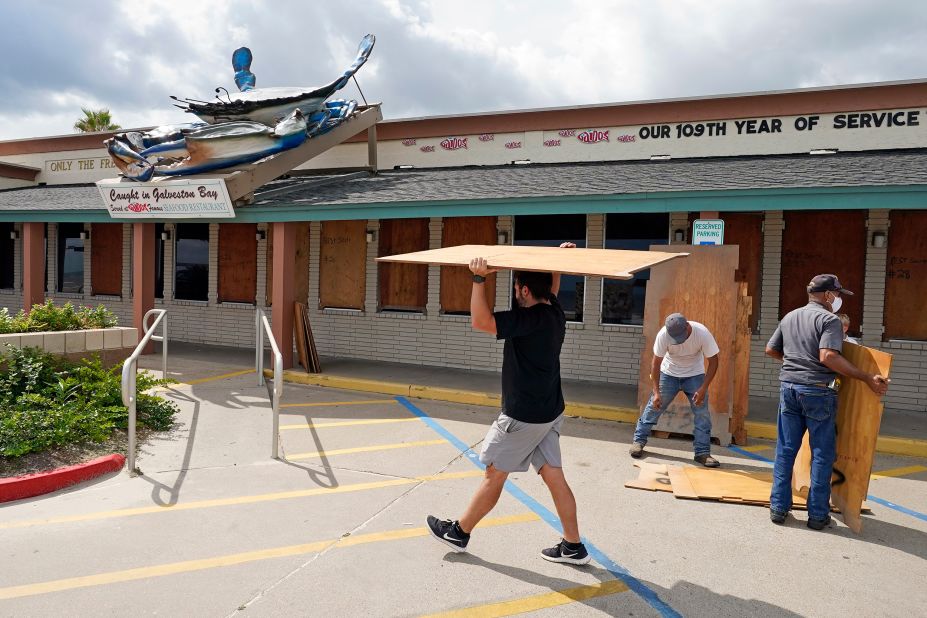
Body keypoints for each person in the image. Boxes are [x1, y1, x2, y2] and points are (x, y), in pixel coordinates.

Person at [427, 242, 591, 565]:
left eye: (517, 289)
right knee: (554, 476)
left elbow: (481, 321)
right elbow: (552, 286)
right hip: (549, 411)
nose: (515, 294)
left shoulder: (527, 320)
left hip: (524, 416)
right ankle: (573, 545)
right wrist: (555, 261)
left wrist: (478, 279)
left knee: (494, 474)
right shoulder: (554, 312)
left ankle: (459, 531)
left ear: (526, 290)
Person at [765, 274, 889, 530]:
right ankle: (818, 515)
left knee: (786, 450)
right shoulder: (829, 320)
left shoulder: (790, 316)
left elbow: (771, 349)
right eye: (838, 294)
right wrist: (866, 376)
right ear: (828, 295)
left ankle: (778, 507)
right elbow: (828, 356)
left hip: (789, 388)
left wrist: (795, 366)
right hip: (818, 392)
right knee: (822, 454)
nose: (839, 299)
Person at [629, 313, 721, 467]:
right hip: (668, 374)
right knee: (654, 406)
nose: (677, 341)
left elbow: (714, 361)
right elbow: (656, 364)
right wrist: (657, 392)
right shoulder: (663, 335)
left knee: (702, 414)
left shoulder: (702, 333)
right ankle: (638, 441)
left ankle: (702, 453)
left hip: (694, 375)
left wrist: (704, 387)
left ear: (687, 326)